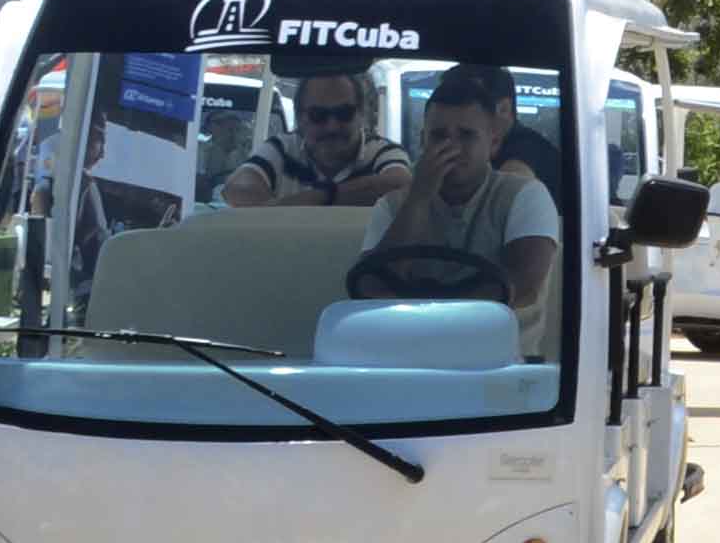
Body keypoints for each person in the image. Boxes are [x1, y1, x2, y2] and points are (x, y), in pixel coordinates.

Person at [360, 63, 564, 355]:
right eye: (438, 136)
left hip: (502, 362)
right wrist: (419, 199)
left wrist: (435, 325)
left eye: (466, 135)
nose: (451, 147)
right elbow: (370, 285)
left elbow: (524, 285)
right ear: (422, 141)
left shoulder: (526, 196)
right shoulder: (393, 205)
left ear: (493, 143)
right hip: (409, 356)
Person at [223, 58, 407, 209]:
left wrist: (312, 200)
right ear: (299, 118)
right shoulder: (282, 149)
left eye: (344, 113)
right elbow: (237, 189)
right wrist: (336, 196)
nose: (332, 127)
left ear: (361, 114)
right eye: (318, 115)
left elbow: (400, 185)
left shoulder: (381, 151)